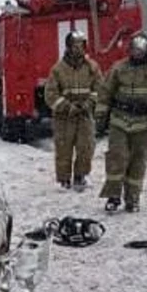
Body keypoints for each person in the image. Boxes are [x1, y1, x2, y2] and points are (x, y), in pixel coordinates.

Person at [94, 31, 147, 212]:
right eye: (134, 50)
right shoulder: (118, 68)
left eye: (140, 50)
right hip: (119, 120)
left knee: (138, 162)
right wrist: (100, 119)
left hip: (143, 123)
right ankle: (113, 196)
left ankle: (132, 198)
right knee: (117, 158)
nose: (136, 53)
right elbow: (104, 94)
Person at [44, 30, 102, 191]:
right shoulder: (58, 69)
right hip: (64, 118)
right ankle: (64, 180)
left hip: (84, 115)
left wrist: (88, 104)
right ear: (68, 47)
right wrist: (68, 107)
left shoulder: (92, 67)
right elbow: (50, 94)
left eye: (81, 46)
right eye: (75, 46)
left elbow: (100, 89)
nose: (79, 49)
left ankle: (80, 176)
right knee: (64, 149)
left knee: (86, 147)